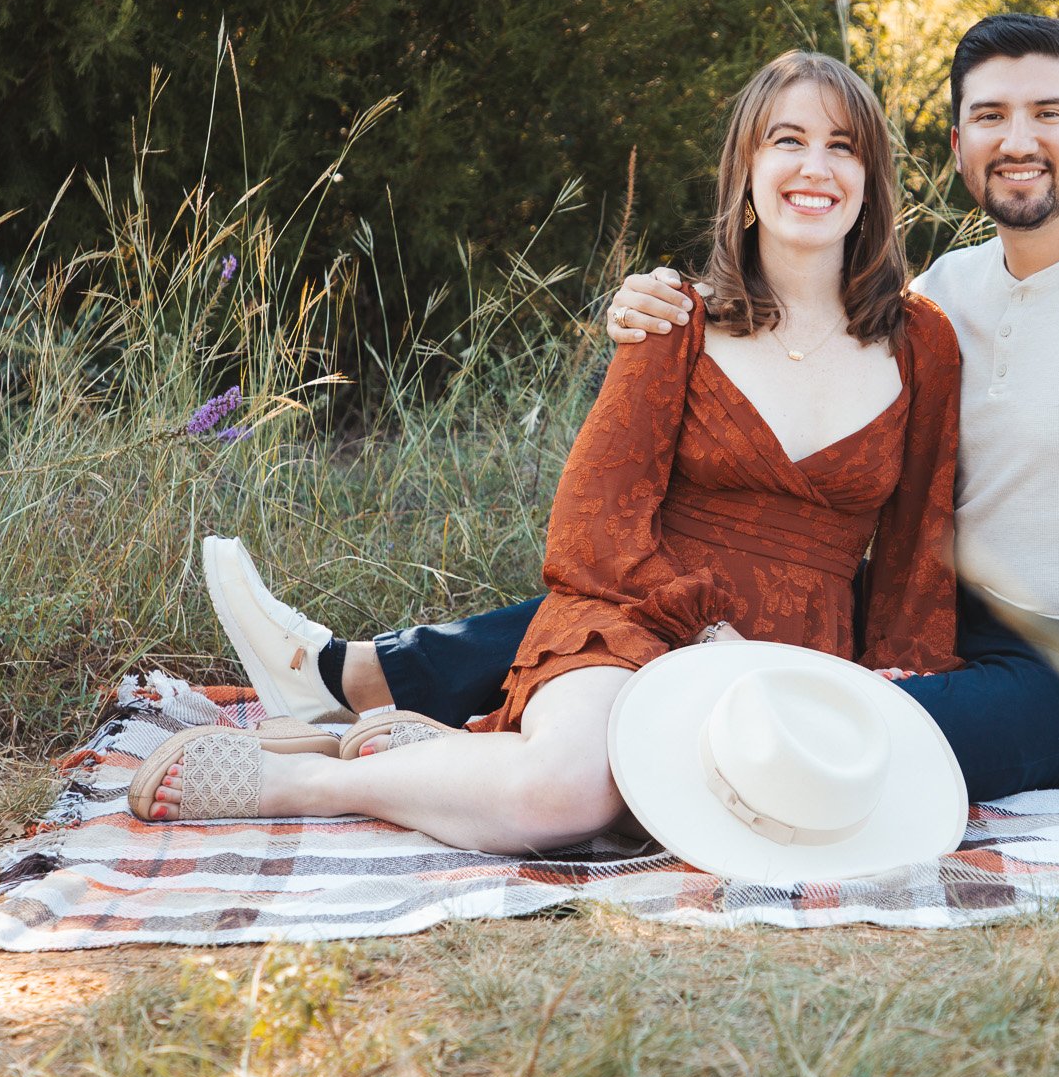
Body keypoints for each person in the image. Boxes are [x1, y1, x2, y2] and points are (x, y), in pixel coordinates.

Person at [215, 14, 1059, 832]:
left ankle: (423, 730)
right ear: (956, 144)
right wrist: (642, 308)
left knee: (843, 749)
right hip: (958, 621)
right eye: (991, 118)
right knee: (729, 577)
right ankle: (352, 673)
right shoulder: (948, 296)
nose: (1019, 141)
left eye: (1049, 114)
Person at [128, 50, 965, 852]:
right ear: (746, 170)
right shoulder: (675, 318)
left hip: (793, 651)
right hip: (634, 619)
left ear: (872, 183)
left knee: (686, 812)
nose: (815, 167)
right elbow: (589, 527)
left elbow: (916, 552)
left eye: (842, 147)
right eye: (788, 140)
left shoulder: (921, 343)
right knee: (571, 794)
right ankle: (301, 782)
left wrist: (905, 685)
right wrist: (704, 635)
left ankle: (418, 748)